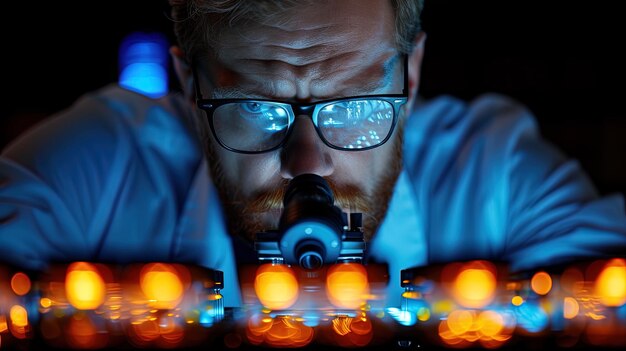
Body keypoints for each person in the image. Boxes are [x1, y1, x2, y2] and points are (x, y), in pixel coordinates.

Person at [1, 0, 625, 309]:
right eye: (258, 106)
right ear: (191, 86)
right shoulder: (101, 161)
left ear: (410, 76)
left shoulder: (498, 173)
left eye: (352, 105)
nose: (308, 163)